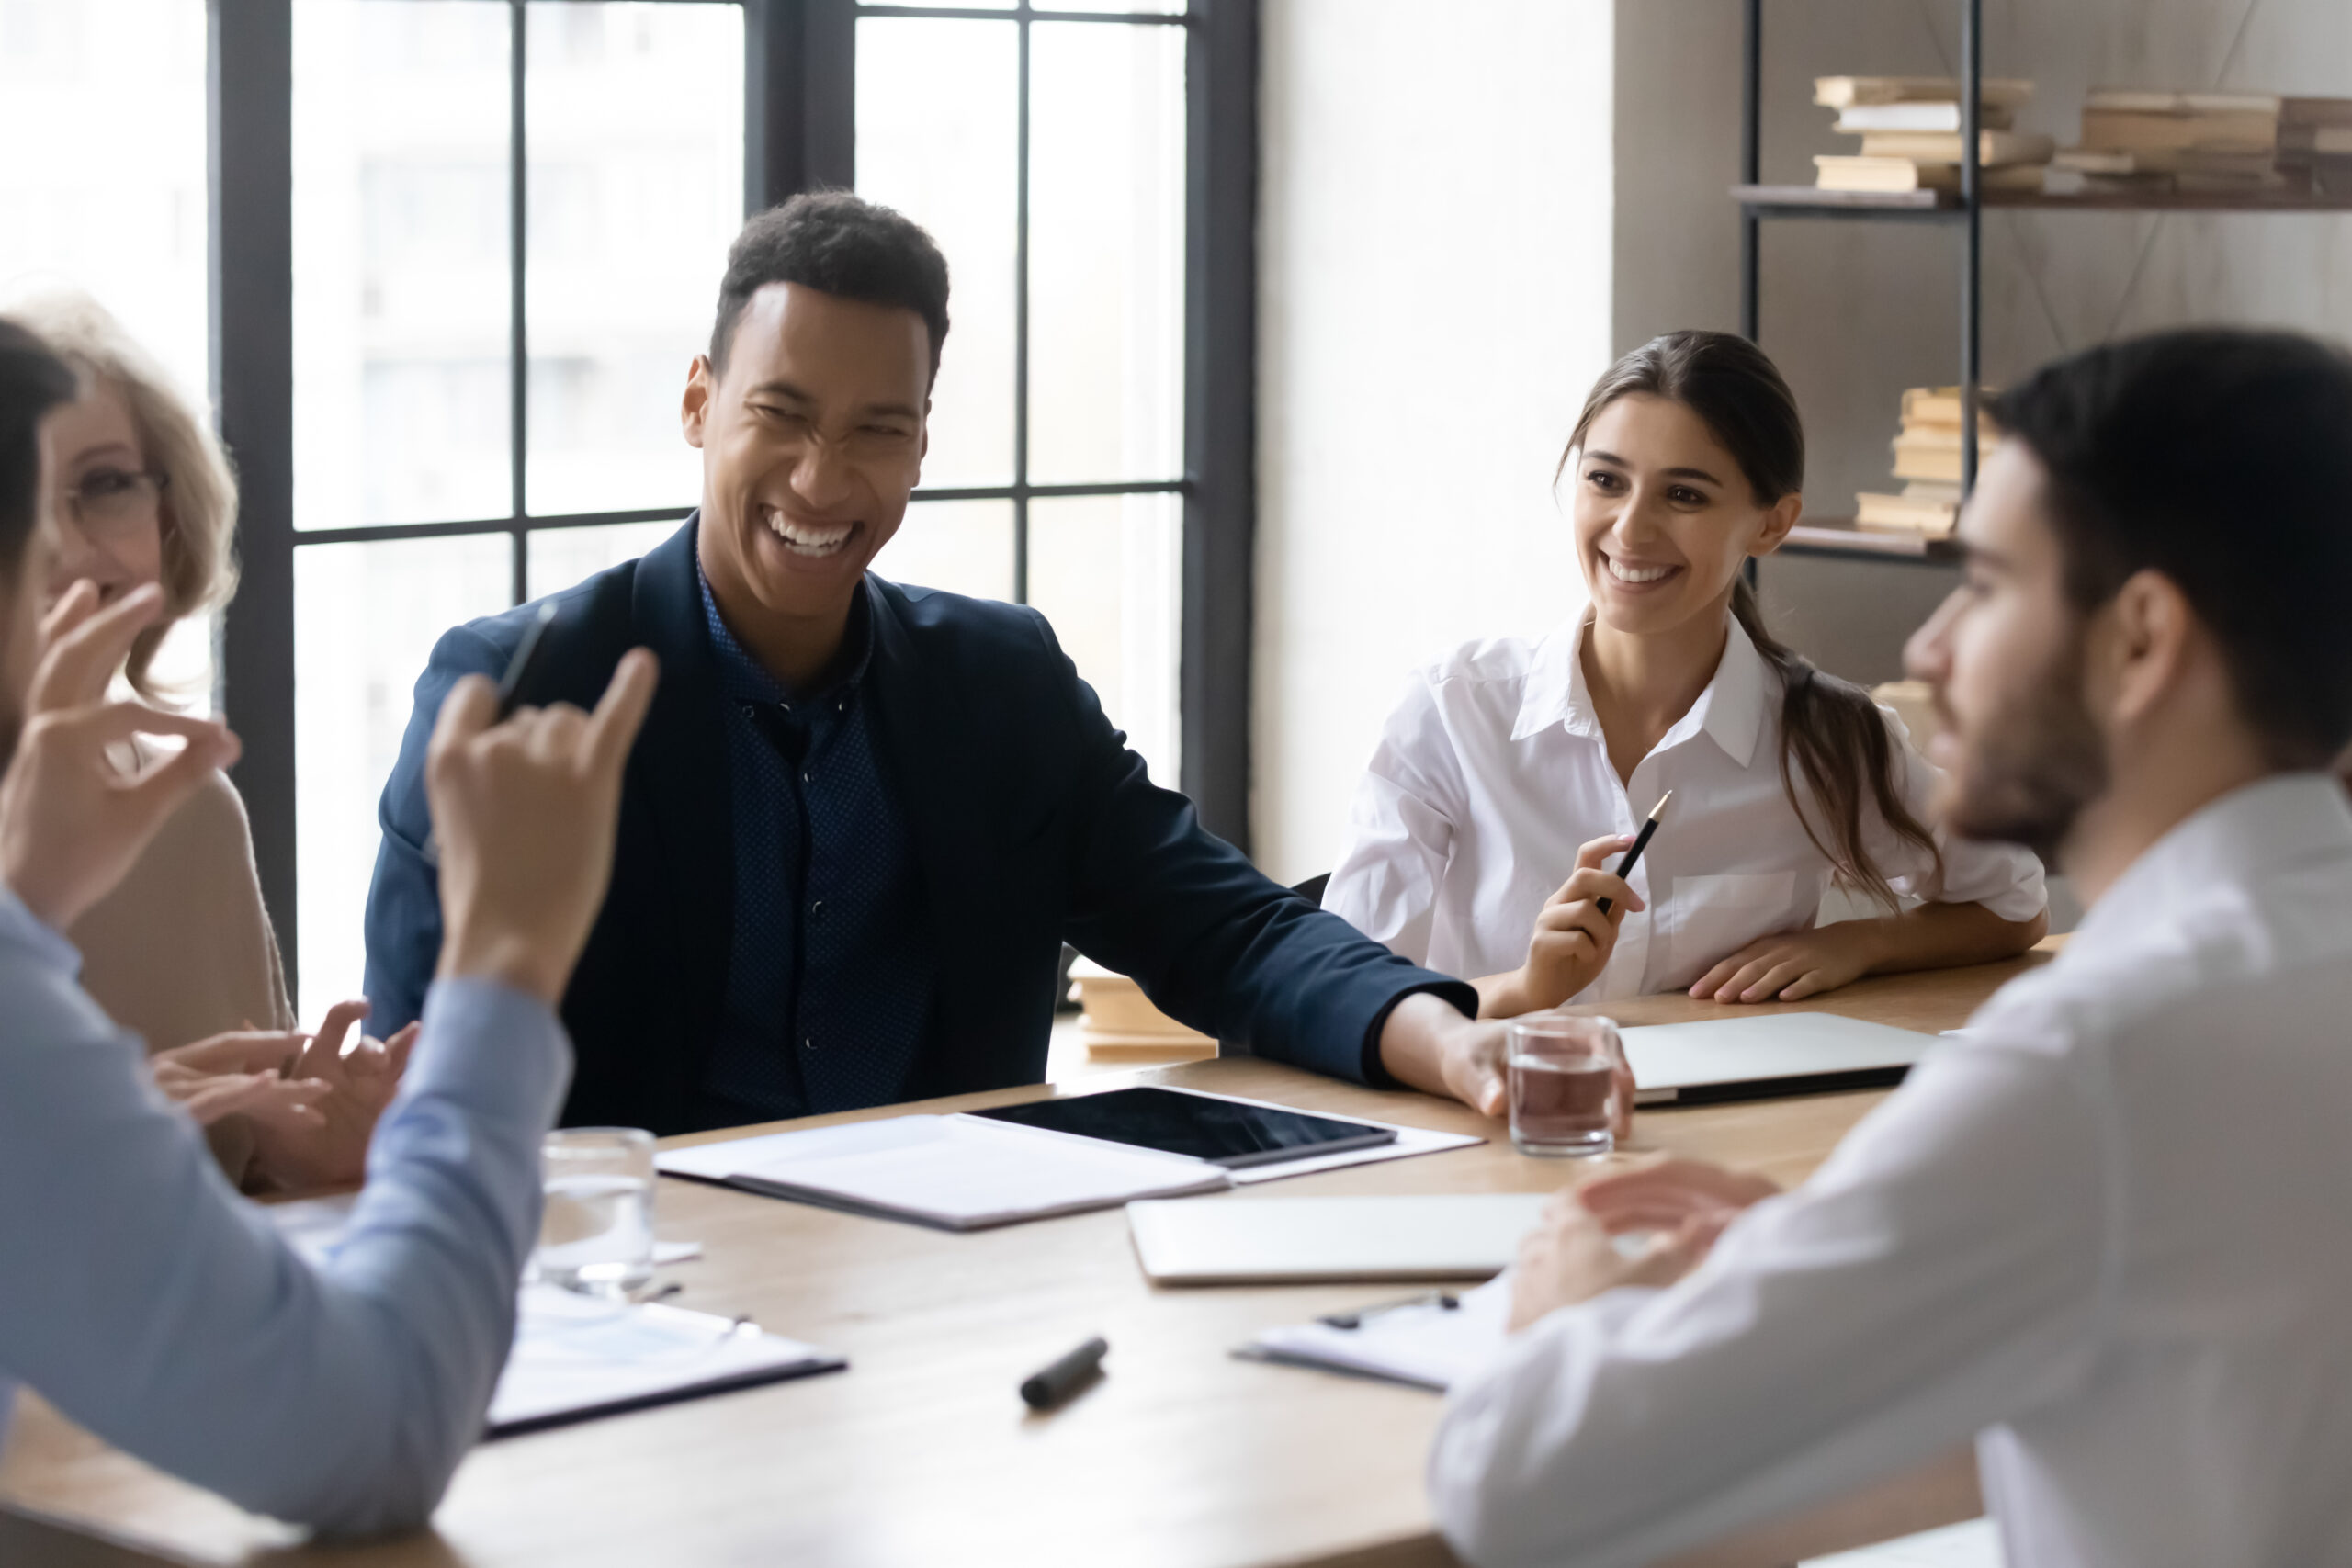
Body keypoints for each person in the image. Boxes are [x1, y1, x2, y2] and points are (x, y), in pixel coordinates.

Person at [1427, 328, 2352, 1566]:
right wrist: (1854, 1250)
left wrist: (1561, 1303)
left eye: (1984, 585)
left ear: (2140, 638)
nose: (1929, 650)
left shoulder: (2088, 1064)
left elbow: (1516, 1487)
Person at [362, 190, 1553, 1134]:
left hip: (946, 1291)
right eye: (781, 413)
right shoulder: (518, 691)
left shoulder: (1000, 682)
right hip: (634, 1301)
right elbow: (424, 1082)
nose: (823, 479)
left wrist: (1443, 1036)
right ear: (697, 403)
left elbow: (1224, 928)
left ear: (923, 440)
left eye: (878, 428)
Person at [0, 318, 661, 1532]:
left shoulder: (166, 811)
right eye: (26, 515)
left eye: (98, 492)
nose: (64, 559)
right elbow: (379, 1426)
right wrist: (502, 959)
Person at [1324, 332, 2046, 1018]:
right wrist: (1526, 988)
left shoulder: (1829, 738)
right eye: (1606, 480)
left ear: (1771, 524)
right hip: (1485, 1124)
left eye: (1684, 495)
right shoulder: (1455, 711)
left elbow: (2012, 903)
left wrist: (1856, 942)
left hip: (1719, 1130)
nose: (1631, 530)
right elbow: (1337, 992)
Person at [17, 292, 400, 1192]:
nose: (66, 551)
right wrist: (109, 1131)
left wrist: (310, 1159)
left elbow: (234, 1202)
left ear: (170, 515)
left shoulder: (190, 808)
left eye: (107, 485)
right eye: (13, 499)